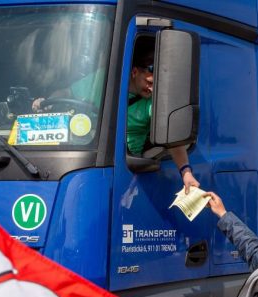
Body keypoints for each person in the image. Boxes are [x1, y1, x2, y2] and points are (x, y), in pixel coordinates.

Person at [33, 38, 199, 192]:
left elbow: (172, 138)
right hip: (85, 156)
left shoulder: (151, 103)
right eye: (149, 83)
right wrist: (48, 102)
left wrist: (185, 171)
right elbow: (67, 92)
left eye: (156, 85)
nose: (152, 90)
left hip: (125, 167)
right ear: (134, 72)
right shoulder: (103, 80)